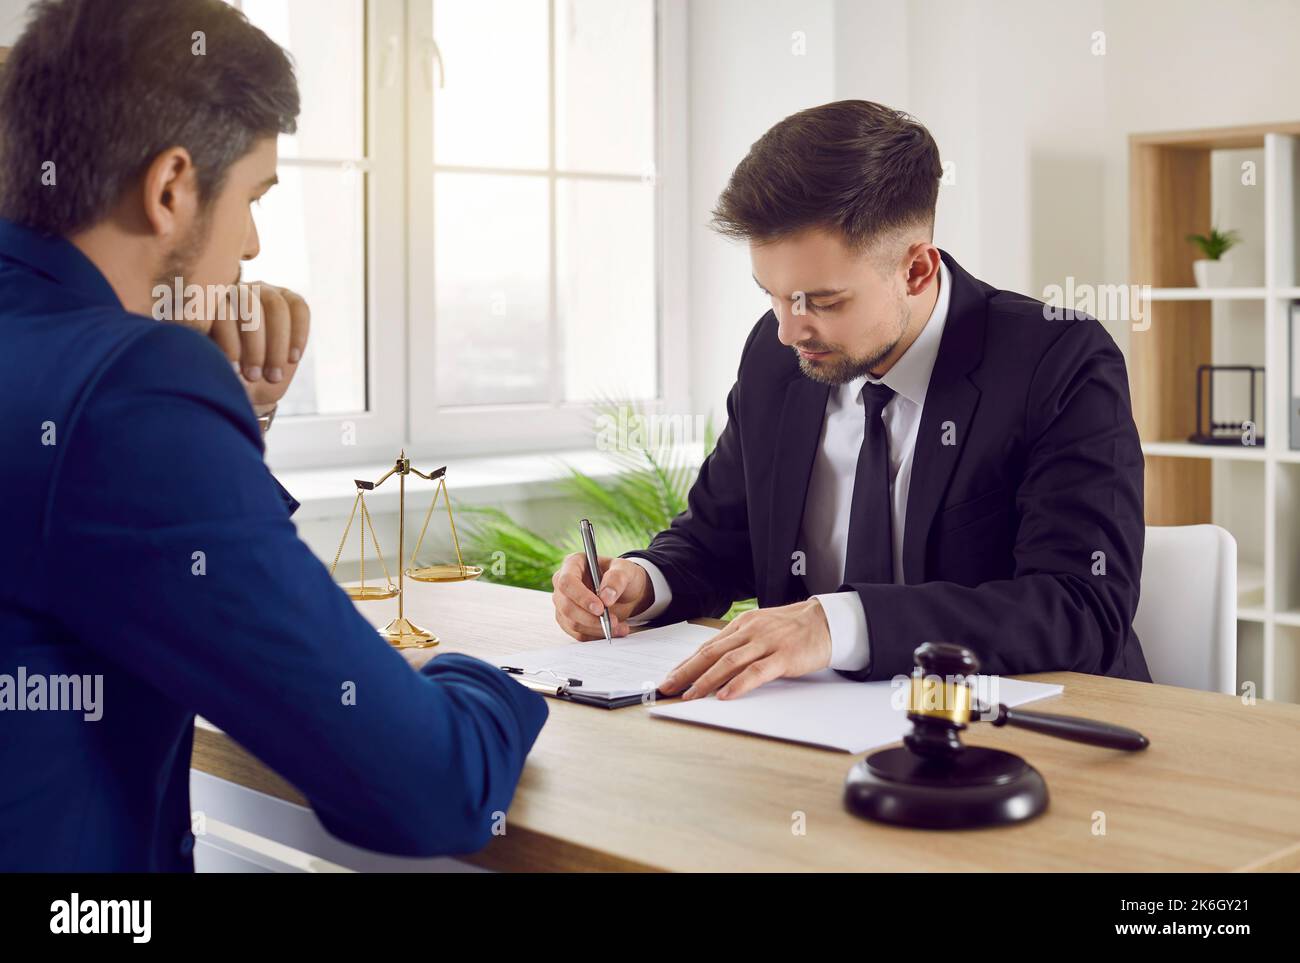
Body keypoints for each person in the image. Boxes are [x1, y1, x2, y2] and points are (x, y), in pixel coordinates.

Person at [0, 0, 545, 871]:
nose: (252, 245)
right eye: (254, 196)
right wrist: (494, 678)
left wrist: (233, 423)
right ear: (172, 187)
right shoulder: (128, 391)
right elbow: (431, 791)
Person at [550, 100, 1151, 700]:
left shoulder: (1059, 360)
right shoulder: (776, 355)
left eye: (824, 301)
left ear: (916, 270)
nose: (790, 330)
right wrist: (642, 582)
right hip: (802, 727)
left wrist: (833, 625)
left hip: (1023, 734)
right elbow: (718, 538)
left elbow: (1082, 606)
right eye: (774, 296)